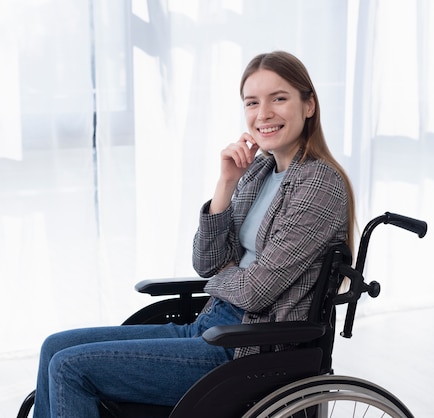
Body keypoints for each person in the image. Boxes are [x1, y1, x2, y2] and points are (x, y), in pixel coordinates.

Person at [31, 50, 355, 417]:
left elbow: (255, 291)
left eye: (278, 98)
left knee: (70, 367)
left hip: (247, 349)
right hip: (210, 325)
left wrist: (221, 279)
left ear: (308, 105)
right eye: (252, 102)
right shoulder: (259, 172)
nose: (263, 114)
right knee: (54, 347)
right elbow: (206, 262)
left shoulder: (318, 184)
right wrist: (225, 184)